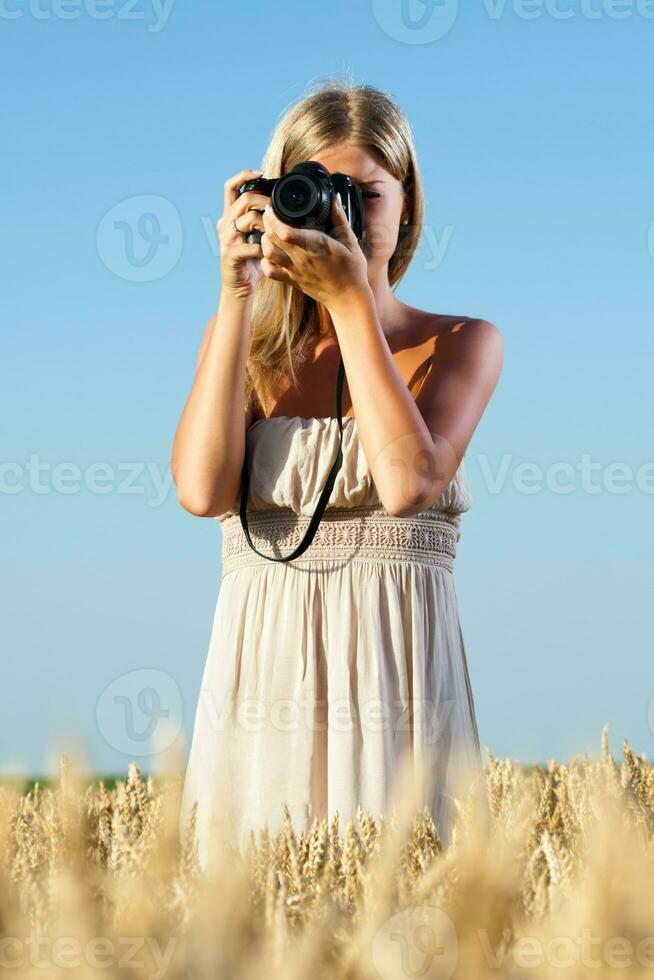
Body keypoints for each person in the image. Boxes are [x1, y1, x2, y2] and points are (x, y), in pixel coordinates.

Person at [172, 81, 503, 866]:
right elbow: (201, 492)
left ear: (409, 202)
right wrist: (235, 297)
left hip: (397, 679)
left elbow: (407, 484)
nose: (341, 214)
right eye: (317, 190)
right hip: (262, 678)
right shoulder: (246, 353)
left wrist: (355, 304)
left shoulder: (460, 342)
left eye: (364, 194)